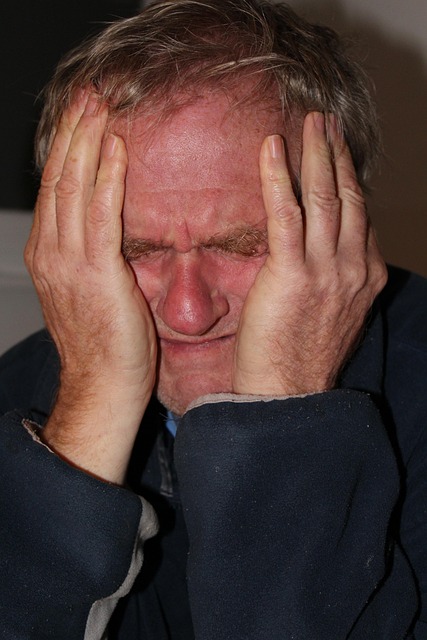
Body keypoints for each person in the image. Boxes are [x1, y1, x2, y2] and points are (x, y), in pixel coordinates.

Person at [0, 0, 426, 637]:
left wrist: (285, 412)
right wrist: (89, 416)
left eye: (243, 245)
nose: (189, 312)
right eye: (134, 250)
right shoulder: (15, 394)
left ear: (345, 218)